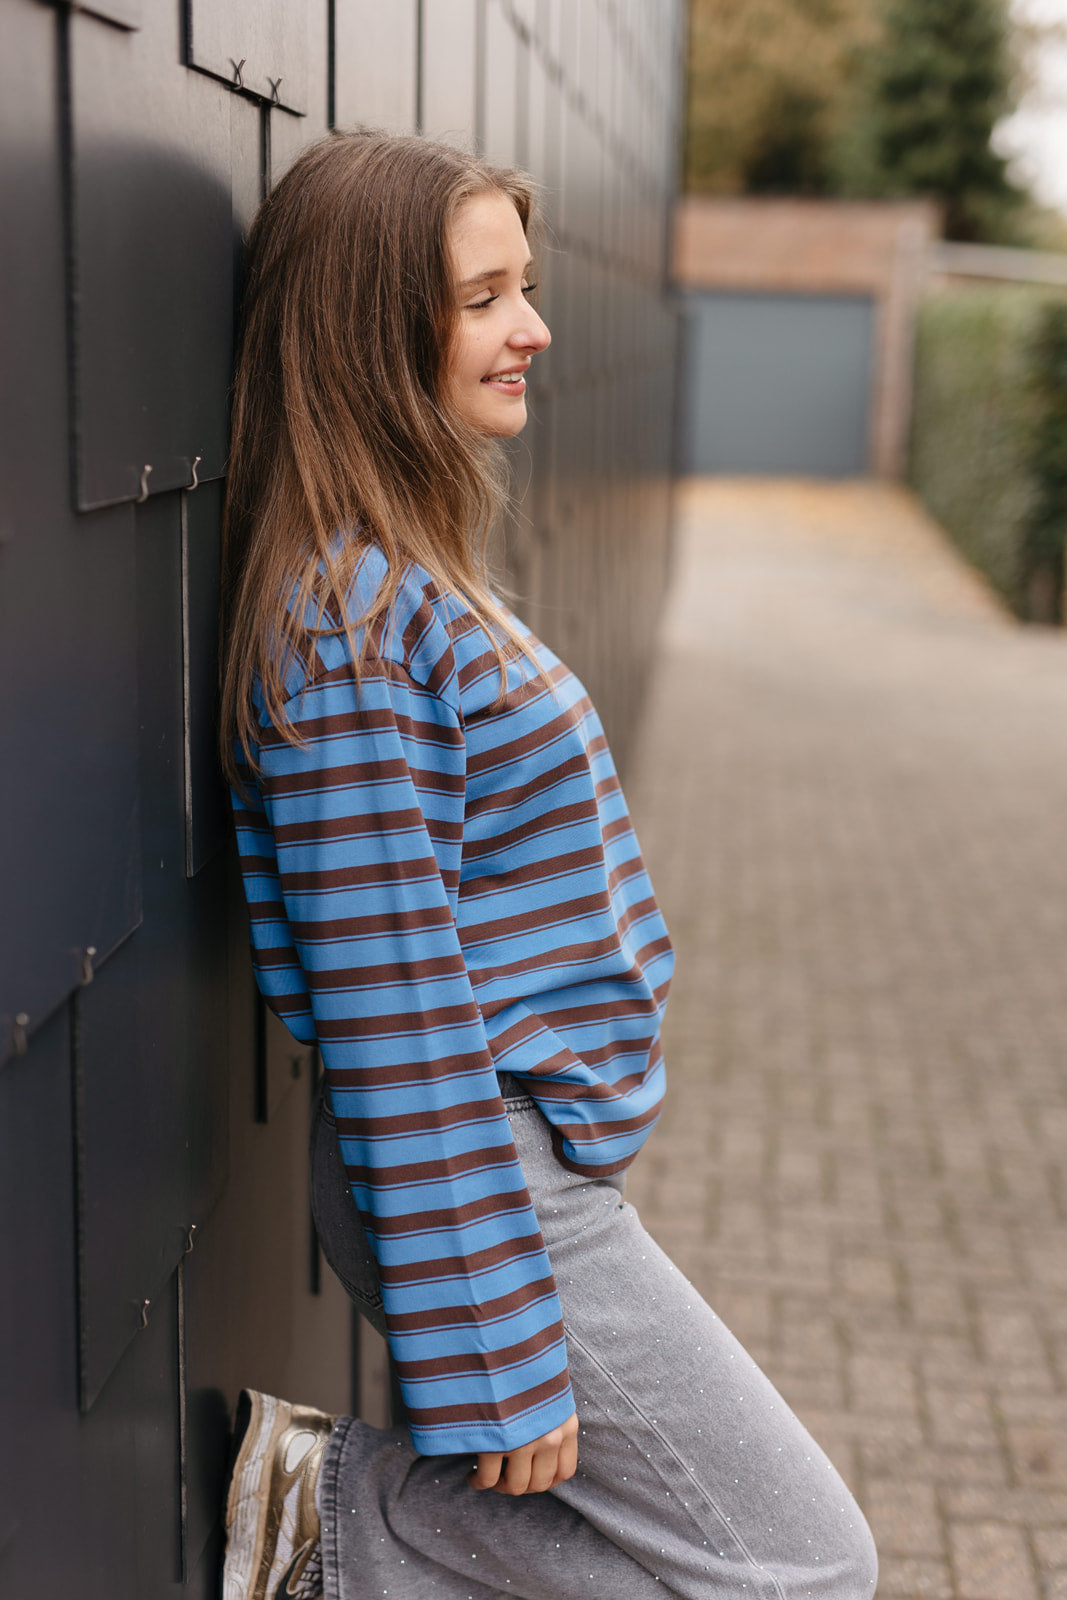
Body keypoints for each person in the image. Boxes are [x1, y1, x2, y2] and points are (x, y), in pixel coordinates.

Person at [218, 127, 879, 1600]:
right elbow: (394, 1004)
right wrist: (491, 1337)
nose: (534, 327)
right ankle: (334, 1514)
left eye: (523, 286)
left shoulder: (409, 570)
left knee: (703, 1558)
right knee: (801, 1564)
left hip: (528, 1168)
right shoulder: (351, 636)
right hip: (489, 1180)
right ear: (370, 331)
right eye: (483, 297)